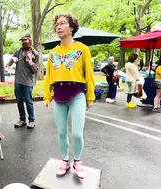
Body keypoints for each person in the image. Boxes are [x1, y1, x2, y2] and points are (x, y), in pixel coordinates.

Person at [44, 13, 95, 179]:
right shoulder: (53, 52)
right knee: (61, 132)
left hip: (77, 93)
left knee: (77, 133)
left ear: (71, 27)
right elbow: (48, 77)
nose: (58, 27)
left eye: (63, 23)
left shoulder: (82, 49)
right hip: (58, 94)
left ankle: (77, 161)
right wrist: (47, 96)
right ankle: (65, 160)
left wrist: (90, 96)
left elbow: (89, 74)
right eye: (57, 24)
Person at [6, 34, 39, 129]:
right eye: (22, 41)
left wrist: (29, 61)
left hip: (28, 82)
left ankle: (32, 120)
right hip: (18, 81)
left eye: (25, 40)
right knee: (19, 102)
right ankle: (22, 119)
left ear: (30, 41)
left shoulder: (35, 54)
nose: (23, 42)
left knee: (29, 102)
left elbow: (35, 69)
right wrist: (11, 61)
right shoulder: (19, 51)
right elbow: (10, 62)